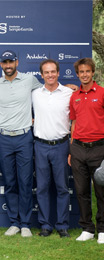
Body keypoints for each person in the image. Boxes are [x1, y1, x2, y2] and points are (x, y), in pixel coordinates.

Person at [0, 50, 41, 237]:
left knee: (25, 181)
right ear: (1, 65)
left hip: (24, 137)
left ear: (17, 62)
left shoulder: (29, 80)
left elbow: (47, 93)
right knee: (10, 182)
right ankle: (14, 222)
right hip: (4, 137)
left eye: (11, 62)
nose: (8, 65)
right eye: (5, 62)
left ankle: (26, 224)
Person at [32, 59, 72, 238]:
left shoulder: (68, 93)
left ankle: (62, 225)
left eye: (53, 71)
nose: (50, 75)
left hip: (61, 146)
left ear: (58, 73)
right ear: (41, 75)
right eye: (46, 72)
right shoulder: (35, 93)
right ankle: (46, 226)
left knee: (62, 187)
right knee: (42, 188)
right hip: (40, 145)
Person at [68, 58, 104, 243]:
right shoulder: (74, 96)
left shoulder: (103, 93)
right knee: (81, 191)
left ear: (93, 72)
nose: (84, 75)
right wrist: (71, 149)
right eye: (81, 72)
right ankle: (87, 229)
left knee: (101, 191)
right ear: (77, 74)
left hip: (99, 148)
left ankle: (103, 230)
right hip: (79, 149)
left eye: (87, 71)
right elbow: (73, 122)